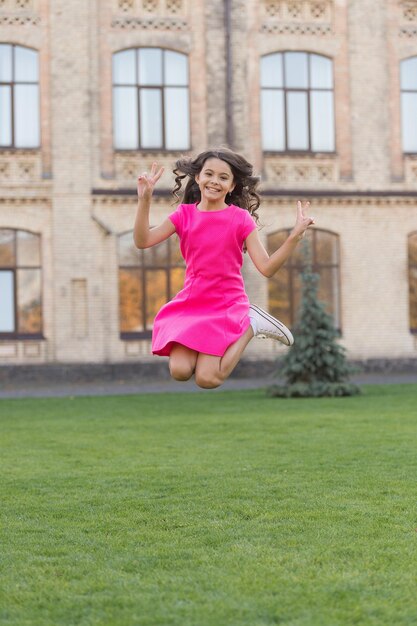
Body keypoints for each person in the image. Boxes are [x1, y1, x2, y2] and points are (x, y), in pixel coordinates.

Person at [134, 148, 314, 389]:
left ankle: (252, 324)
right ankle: (239, 328)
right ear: (198, 178)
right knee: (179, 370)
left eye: (223, 177)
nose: (214, 181)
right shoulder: (183, 215)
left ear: (231, 186)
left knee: (208, 379)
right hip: (192, 302)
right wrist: (145, 199)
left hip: (225, 303)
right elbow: (143, 240)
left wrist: (293, 237)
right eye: (209, 174)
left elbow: (267, 268)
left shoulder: (240, 219)